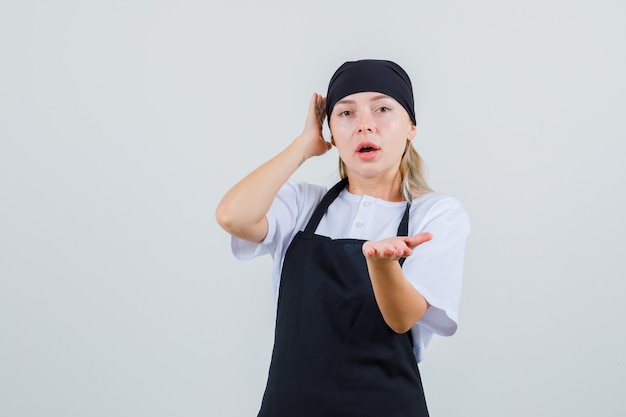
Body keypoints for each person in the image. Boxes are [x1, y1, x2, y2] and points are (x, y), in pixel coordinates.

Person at [215, 59, 470, 417]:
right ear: (331, 132)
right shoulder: (303, 205)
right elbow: (232, 215)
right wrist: (304, 146)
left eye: (382, 109)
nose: (364, 124)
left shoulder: (436, 215)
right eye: (346, 113)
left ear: (411, 126)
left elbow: (402, 318)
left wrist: (382, 267)